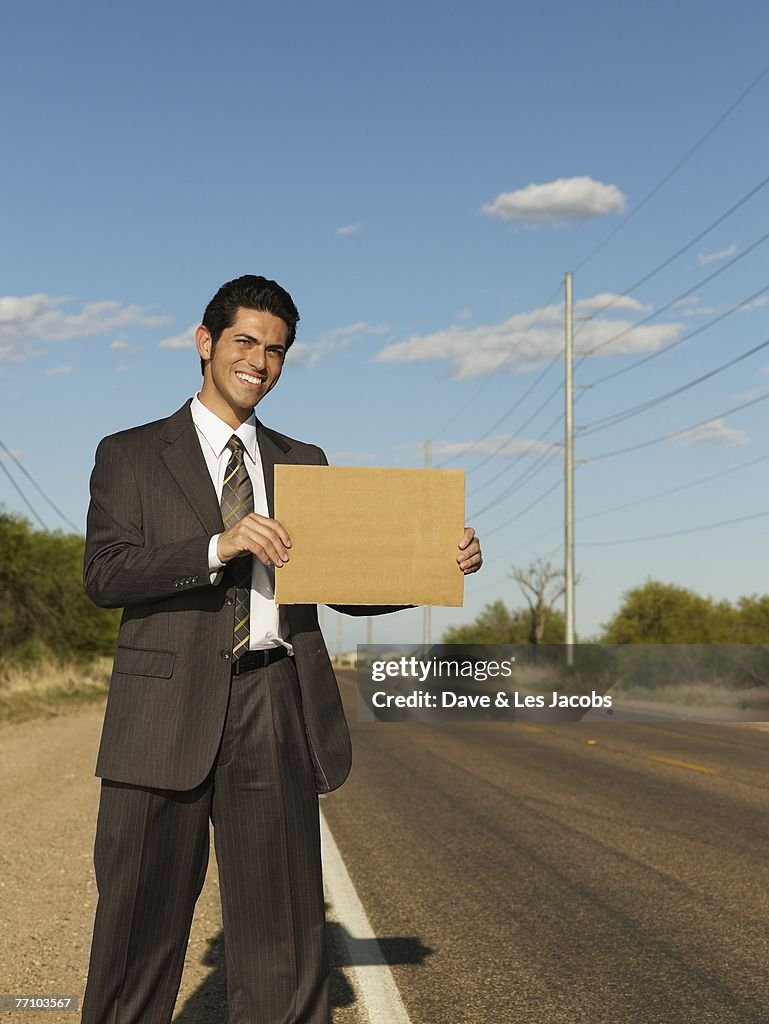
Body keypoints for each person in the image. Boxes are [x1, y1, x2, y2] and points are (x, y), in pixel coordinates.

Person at [81, 274, 483, 1024]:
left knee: (284, 941)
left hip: (274, 700)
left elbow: (345, 581)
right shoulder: (129, 454)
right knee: (137, 931)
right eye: (245, 342)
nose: (258, 362)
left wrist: (434, 562)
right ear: (205, 344)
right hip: (160, 711)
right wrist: (216, 543)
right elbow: (106, 573)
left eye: (275, 351)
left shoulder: (304, 458)